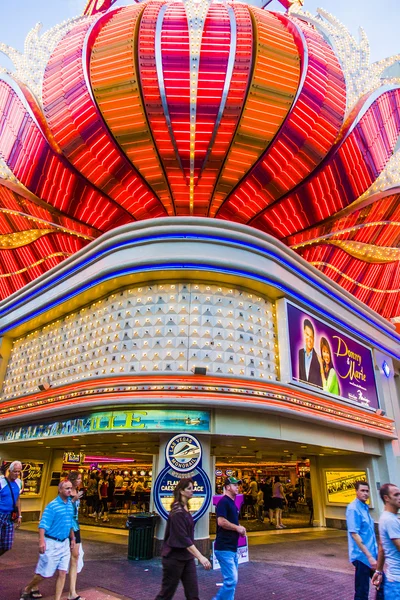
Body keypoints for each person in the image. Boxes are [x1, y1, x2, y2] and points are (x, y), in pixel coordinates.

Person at [155, 478, 211, 600]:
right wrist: (200, 556)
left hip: (187, 558)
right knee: (166, 594)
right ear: (181, 491)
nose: (192, 491)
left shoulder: (184, 508)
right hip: (174, 558)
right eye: (189, 488)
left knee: (193, 594)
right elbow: (183, 538)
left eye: (193, 488)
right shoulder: (178, 512)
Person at [20, 480, 76, 600]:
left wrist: (72, 538)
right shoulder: (53, 505)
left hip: (64, 542)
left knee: (62, 572)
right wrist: (41, 541)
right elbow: (43, 524)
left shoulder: (70, 505)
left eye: (70, 488)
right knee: (45, 573)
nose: (69, 490)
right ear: (60, 490)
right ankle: (28, 588)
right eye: (66, 488)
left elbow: (70, 522)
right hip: (52, 542)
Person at [345, 480, 383, 600]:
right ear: (356, 491)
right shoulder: (353, 509)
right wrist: (370, 557)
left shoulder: (364, 507)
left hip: (371, 554)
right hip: (362, 557)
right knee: (362, 591)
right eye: (362, 490)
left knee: (382, 584)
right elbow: (354, 534)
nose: (365, 493)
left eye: (367, 491)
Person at [212, 476, 246, 600]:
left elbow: (230, 523)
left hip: (231, 547)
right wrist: (237, 528)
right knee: (231, 580)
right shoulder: (223, 502)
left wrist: (239, 528)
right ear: (227, 487)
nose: (237, 487)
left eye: (238, 485)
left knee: (232, 581)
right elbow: (221, 521)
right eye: (234, 485)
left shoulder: (231, 503)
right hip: (224, 547)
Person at [372, 483, 400, 597]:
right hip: (397, 583)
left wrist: (378, 571)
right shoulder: (390, 520)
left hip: (393, 581)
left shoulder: (387, 517)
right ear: (386, 498)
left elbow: (382, 546)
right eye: (396, 495)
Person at [67, 471, 85, 600]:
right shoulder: (66, 490)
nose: (80, 481)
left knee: (75, 556)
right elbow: (63, 508)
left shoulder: (76, 491)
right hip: (66, 527)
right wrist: (74, 499)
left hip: (76, 526)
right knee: (57, 559)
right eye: (78, 479)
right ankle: (33, 585)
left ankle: (72, 592)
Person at [0, 461, 23, 557]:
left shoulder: (19, 483)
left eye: (19, 472)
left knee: (7, 544)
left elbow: (18, 499)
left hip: (10, 516)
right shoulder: (1, 482)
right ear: (10, 471)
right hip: (0, 513)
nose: (17, 474)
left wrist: (19, 515)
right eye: (15, 471)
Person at [298, 318, 322, 388]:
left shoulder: (318, 359)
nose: (309, 339)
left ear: (314, 339)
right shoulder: (300, 353)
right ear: (304, 334)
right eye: (307, 334)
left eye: (311, 336)